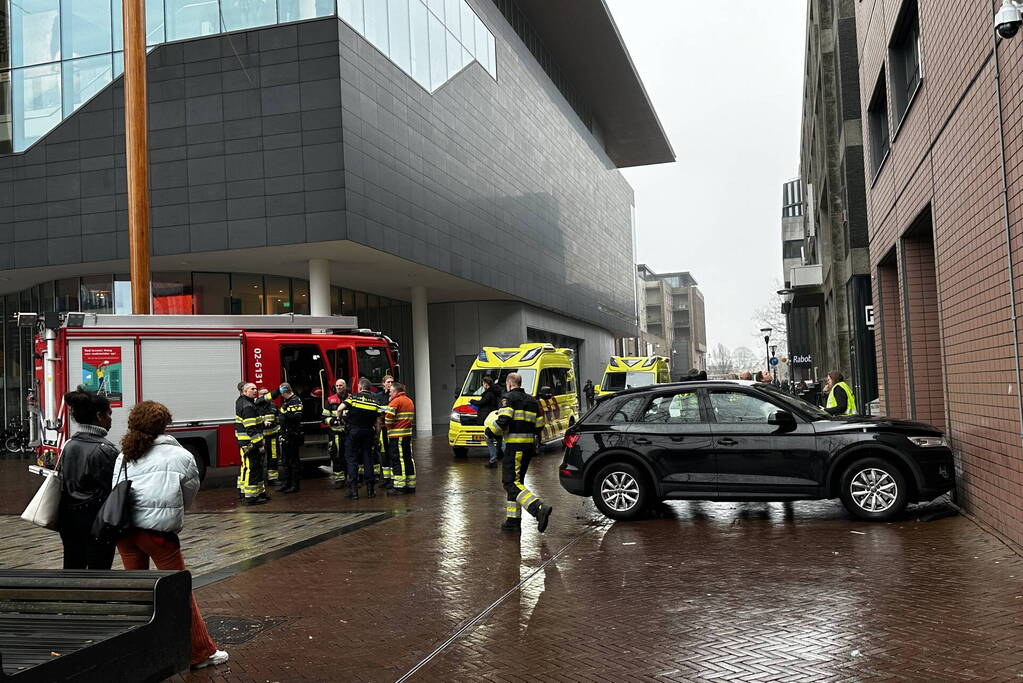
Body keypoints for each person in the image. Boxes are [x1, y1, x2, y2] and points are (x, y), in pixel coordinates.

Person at [112, 401, 229, 670]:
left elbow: (116, 490)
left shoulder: (124, 455)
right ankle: (201, 651)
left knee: (139, 591)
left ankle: (139, 649)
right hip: (158, 535)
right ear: (164, 425)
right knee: (180, 593)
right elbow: (188, 495)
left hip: (126, 532)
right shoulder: (182, 456)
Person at [57, 390, 118, 569]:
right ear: (99, 416)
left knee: (72, 568)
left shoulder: (69, 444)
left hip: (68, 521)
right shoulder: (105, 450)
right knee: (99, 572)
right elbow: (115, 489)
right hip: (97, 523)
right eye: (109, 413)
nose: (110, 419)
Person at [492, 372, 553, 534]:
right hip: (528, 448)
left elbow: (503, 420)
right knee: (517, 482)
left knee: (510, 483)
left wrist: (490, 431)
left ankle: (538, 508)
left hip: (514, 447)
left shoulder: (508, 398)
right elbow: (539, 425)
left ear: (509, 384)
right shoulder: (533, 401)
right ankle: (513, 521)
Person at [343, 378, 383, 499]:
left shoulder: (353, 398)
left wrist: (340, 419)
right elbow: (378, 423)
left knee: (352, 460)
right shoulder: (375, 402)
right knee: (368, 459)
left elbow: (340, 409)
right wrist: (377, 436)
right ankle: (370, 491)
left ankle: (354, 491)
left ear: (360, 388)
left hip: (354, 432)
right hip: (368, 432)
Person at [235, 382, 268, 506]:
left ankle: (255, 492)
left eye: (255, 388)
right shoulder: (248, 406)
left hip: (247, 442)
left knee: (252, 467)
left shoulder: (243, 402)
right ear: (244, 392)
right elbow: (251, 429)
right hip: (251, 443)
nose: (255, 390)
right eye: (251, 389)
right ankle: (251, 497)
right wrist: (259, 444)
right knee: (253, 468)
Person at [385, 382, 416, 494]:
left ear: (395, 392)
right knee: (408, 458)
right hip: (407, 434)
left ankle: (400, 486)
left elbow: (388, 420)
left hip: (396, 436)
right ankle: (410, 484)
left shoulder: (395, 402)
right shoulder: (409, 400)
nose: (389, 393)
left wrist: (388, 426)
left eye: (390, 392)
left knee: (398, 459)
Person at [471, 375, 503, 468]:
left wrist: (472, 401)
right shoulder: (495, 392)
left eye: (483, 384)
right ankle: (498, 455)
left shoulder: (489, 393)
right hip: (493, 417)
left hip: (488, 418)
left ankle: (494, 459)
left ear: (486, 384)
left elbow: (482, 403)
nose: (482, 385)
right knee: (498, 437)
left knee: (489, 438)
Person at [278, 383, 304, 493]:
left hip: (293, 435)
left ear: (284, 392)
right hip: (286, 434)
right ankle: (286, 483)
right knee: (285, 461)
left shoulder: (295, 401)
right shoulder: (288, 401)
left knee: (293, 461)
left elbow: (296, 417)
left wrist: (283, 412)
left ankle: (294, 485)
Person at [323, 379, 349, 488]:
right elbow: (323, 418)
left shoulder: (351, 398)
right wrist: (332, 421)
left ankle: (351, 478)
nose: (338, 387)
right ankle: (339, 480)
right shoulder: (330, 400)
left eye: (341, 385)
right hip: (335, 434)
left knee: (350, 456)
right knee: (336, 455)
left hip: (348, 433)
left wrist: (346, 420)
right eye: (337, 386)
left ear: (345, 386)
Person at [256, 388, 281, 488]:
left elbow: (278, 420)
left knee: (273, 458)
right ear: (259, 396)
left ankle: (273, 479)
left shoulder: (273, 406)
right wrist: (263, 423)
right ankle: (259, 479)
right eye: (263, 394)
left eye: (267, 393)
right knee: (259, 460)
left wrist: (278, 431)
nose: (266, 395)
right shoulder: (255, 407)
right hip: (260, 438)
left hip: (273, 437)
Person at [374, 375, 394, 487]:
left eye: (392, 382)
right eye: (388, 382)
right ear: (383, 383)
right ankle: (386, 479)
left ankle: (392, 479)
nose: (390, 384)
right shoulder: (378, 396)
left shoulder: (394, 397)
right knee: (383, 453)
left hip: (390, 429)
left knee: (391, 453)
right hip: (381, 429)